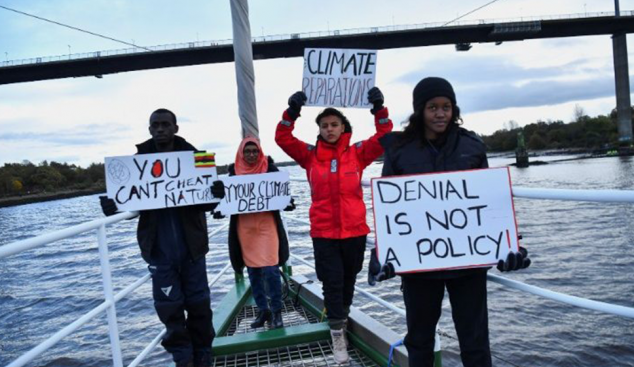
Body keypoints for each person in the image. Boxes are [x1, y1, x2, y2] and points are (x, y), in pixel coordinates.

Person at [370, 77, 531, 367]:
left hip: (467, 267)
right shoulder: (399, 149)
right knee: (419, 342)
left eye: (446, 106)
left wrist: (509, 244)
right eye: (433, 107)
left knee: (475, 342)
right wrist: (382, 251)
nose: (441, 113)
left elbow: (488, 204)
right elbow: (389, 208)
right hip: (419, 268)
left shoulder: (472, 145)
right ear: (420, 110)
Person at [99, 108, 226, 367]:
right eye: (155, 125)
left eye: (165, 124)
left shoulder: (196, 157)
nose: (160, 129)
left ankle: (204, 356)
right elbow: (128, 199)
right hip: (159, 250)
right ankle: (182, 359)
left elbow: (208, 203)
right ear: (149, 129)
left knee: (200, 304)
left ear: (175, 128)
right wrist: (113, 205)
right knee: (170, 309)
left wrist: (216, 193)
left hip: (193, 248)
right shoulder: (136, 162)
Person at [275, 88, 393, 364]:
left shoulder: (358, 153)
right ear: (319, 129)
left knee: (349, 278)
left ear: (343, 127)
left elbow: (385, 136)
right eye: (324, 125)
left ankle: (341, 315)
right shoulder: (309, 155)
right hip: (324, 232)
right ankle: (337, 336)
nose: (329, 129)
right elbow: (282, 137)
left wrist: (379, 108)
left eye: (334, 124)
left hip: (354, 231)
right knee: (332, 281)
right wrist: (291, 112)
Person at [223, 137, 293, 330]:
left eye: (255, 151)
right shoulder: (233, 173)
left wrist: (288, 202)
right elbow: (225, 198)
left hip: (267, 225)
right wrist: (219, 204)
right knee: (253, 271)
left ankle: (277, 311)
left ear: (260, 152)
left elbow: (282, 193)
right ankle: (263, 310)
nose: (252, 154)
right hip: (245, 229)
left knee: (271, 270)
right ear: (241, 153)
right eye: (248, 151)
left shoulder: (270, 169)